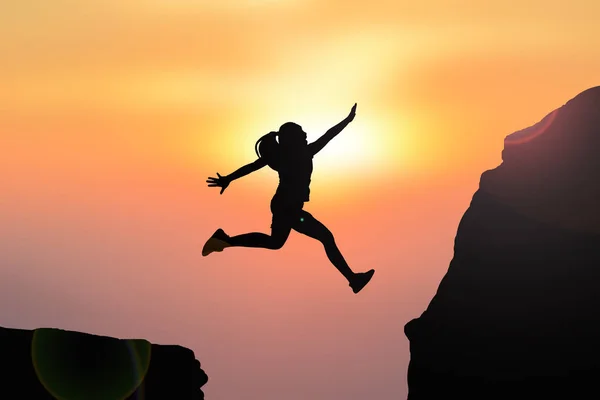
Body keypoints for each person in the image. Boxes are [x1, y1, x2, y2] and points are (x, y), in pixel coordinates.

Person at [203, 103, 375, 294]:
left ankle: (224, 240)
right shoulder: (301, 153)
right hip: (289, 209)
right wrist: (348, 120)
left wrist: (229, 179)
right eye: (301, 132)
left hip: (284, 206)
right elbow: (329, 135)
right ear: (292, 139)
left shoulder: (285, 156)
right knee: (325, 237)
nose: (305, 134)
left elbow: (253, 166)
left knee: (276, 242)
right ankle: (353, 279)